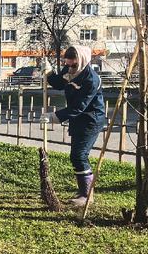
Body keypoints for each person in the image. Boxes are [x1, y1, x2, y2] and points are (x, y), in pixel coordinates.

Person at [42, 45, 106, 207]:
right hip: (77, 119)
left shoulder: (91, 79)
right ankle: (83, 191)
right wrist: (49, 73)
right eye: (67, 64)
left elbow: (79, 107)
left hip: (90, 120)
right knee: (77, 156)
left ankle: (87, 194)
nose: (69, 68)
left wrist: (54, 117)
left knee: (79, 155)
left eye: (73, 65)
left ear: (83, 61)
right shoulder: (70, 70)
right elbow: (59, 84)